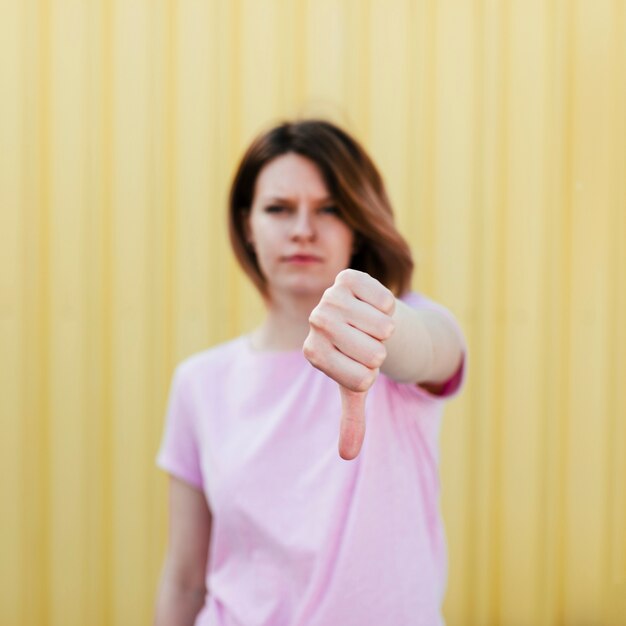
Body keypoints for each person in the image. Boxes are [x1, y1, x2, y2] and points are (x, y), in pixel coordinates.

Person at [153, 119, 466, 626]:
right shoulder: (199, 383)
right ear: (247, 225)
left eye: (329, 209)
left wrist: (380, 327)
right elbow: (185, 579)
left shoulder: (401, 331)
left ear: (358, 229)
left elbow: (434, 349)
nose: (303, 228)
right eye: (279, 208)